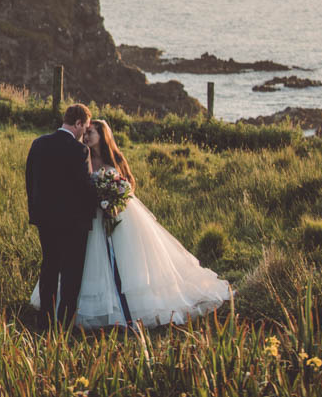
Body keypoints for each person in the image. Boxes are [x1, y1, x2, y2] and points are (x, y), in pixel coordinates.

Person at [32, 119, 233, 329]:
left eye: (92, 132)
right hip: (86, 220)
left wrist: (111, 200)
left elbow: (124, 189)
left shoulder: (112, 161)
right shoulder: (80, 155)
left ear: (103, 136)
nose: (87, 136)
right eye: (87, 132)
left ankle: (118, 309)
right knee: (80, 265)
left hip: (112, 217)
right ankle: (71, 311)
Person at [25, 103, 97, 329]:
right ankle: (64, 323)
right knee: (70, 274)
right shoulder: (79, 151)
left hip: (45, 220)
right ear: (77, 124)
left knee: (49, 268)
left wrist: (35, 212)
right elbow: (85, 187)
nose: (84, 134)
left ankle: (44, 320)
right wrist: (99, 204)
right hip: (73, 223)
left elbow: (30, 180)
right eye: (84, 128)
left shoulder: (38, 144)